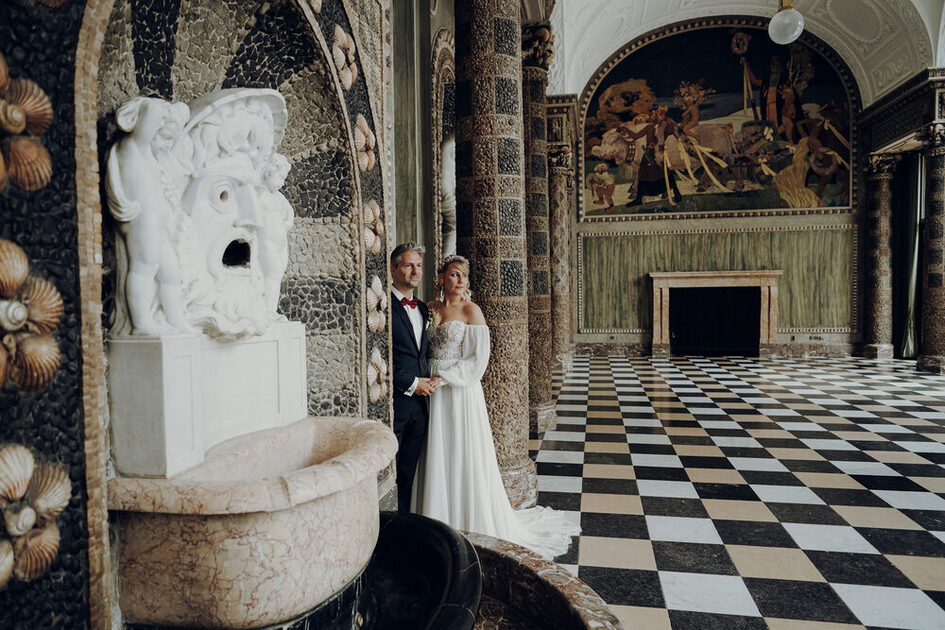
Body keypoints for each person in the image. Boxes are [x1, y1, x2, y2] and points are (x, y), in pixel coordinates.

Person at [413, 255, 580, 560]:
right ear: (440, 278)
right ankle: (437, 515)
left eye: (463, 275)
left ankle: (467, 518)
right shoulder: (430, 309)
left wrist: (446, 378)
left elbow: (478, 360)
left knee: (462, 449)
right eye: (453, 274)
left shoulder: (471, 311)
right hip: (430, 390)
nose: (460, 280)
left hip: (459, 391)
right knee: (436, 447)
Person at [390, 242, 440, 513]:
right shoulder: (382, 308)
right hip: (396, 404)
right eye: (409, 265)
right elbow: (379, 356)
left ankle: (406, 526)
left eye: (419, 265)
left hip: (422, 408)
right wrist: (412, 384)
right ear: (394, 269)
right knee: (390, 474)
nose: (415, 271)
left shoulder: (423, 308)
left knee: (411, 473)